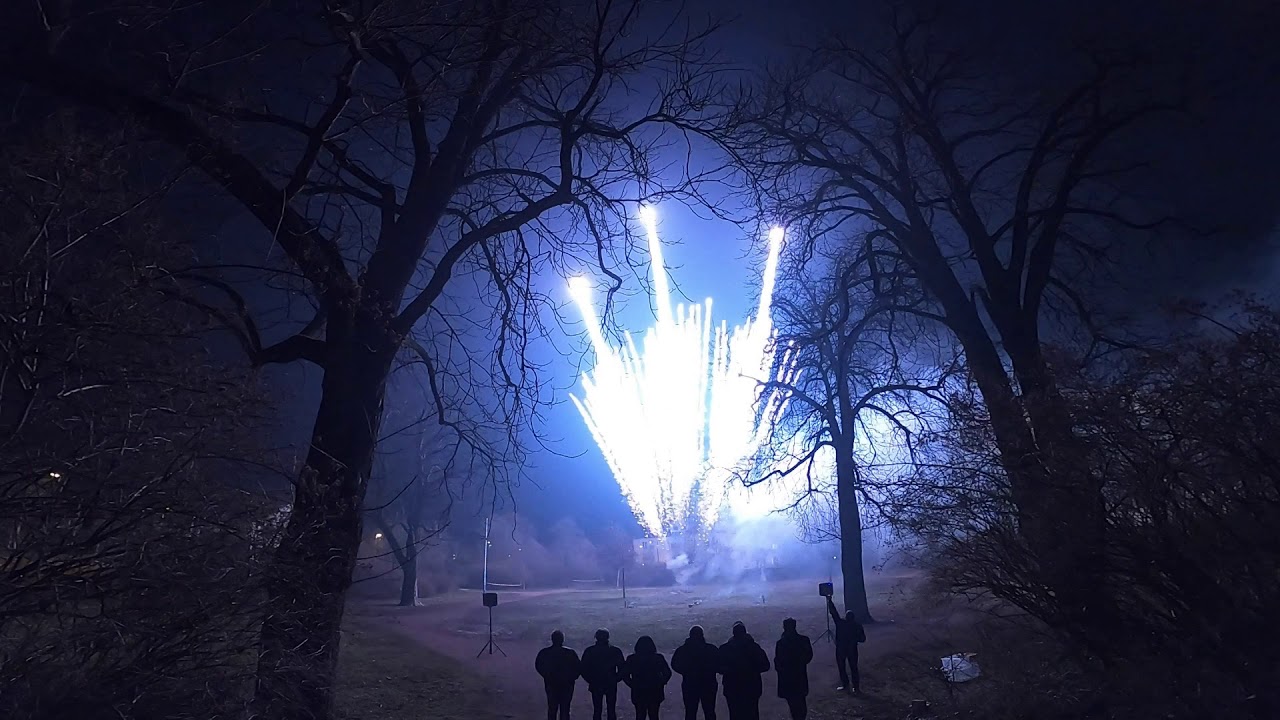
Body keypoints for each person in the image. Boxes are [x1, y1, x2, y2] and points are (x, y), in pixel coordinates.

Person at [717, 621, 770, 720]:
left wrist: (731, 671)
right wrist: (751, 670)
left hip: (732, 687)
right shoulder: (754, 647)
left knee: (734, 714)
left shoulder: (725, 649)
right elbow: (765, 666)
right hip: (752, 686)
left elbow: (718, 667)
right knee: (752, 714)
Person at [671, 625, 720, 720]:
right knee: (709, 711)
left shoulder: (683, 650)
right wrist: (711, 670)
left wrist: (685, 672)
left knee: (690, 712)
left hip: (690, 683)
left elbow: (675, 664)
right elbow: (719, 663)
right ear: (702, 635)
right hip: (708, 683)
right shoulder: (711, 649)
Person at [623, 635, 672, 720]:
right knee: (654, 715)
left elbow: (625, 675)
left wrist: (633, 685)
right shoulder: (658, 658)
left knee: (640, 715)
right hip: (655, 689)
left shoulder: (632, 658)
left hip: (639, 690)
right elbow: (667, 673)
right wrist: (661, 683)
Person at [581, 628, 627, 720]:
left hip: (596, 682)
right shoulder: (615, 651)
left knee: (597, 710)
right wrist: (616, 679)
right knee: (611, 709)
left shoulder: (590, 651)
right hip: (610, 683)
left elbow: (583, 669)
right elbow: (622, 668)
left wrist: (590, 680)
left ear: (596, 637)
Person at [773, 618, 814, 720]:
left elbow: (777, 661)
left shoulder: (781, 643)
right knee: (801, 703)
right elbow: (808, 656)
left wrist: (782, 671)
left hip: (787, 678)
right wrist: (800, 663)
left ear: (784, 627)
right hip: (800, 676)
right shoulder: (803, 640)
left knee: (793, 704)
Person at [536, 630, 582, 720]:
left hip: (551, 683)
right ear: (563, 639)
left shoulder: (545, 652)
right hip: (567, 684)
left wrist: (547, 675)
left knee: (552, 708)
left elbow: (539, 666)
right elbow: (578, 667)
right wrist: (572, 678)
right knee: (565, 708)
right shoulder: (570, 652)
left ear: (552, 639)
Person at [826, 596, 866, 694]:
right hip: (852, 649)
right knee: (854, 668)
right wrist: (854, 640)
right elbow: (863, 639)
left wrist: (829, 601)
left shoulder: (841, 623)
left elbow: (834, 613)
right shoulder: (857, 626)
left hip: (841, 649)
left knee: (842, 667)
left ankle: (845, 684)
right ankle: (856, 687)